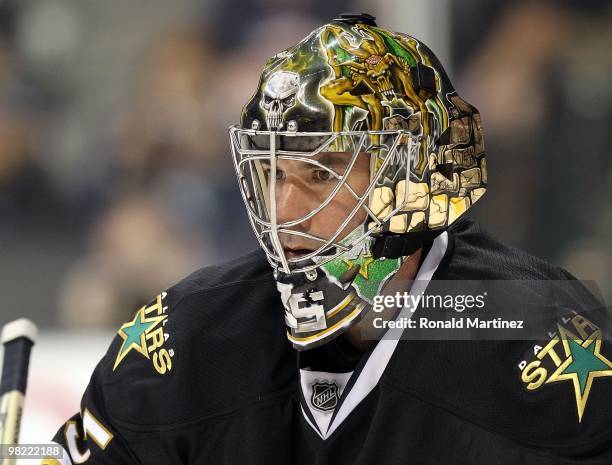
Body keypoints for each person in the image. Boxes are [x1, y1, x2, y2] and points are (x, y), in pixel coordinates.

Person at [42, 13, 612, 464]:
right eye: (273, 174)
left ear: (407, 177)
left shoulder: (537, 336)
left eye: (320, 174)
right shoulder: (187, 340)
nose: (284, 212)